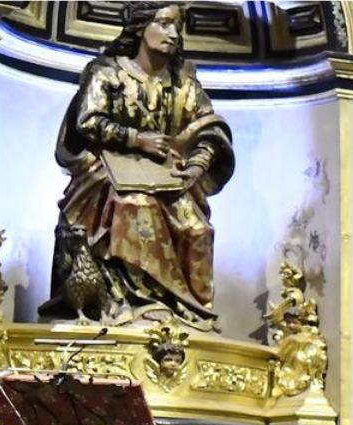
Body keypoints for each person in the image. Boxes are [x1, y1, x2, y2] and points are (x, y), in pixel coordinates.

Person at [41, 4, 234, 327]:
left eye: (177, 27)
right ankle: (137, 303)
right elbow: (87, 120)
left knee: (197, 228)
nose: (173, 34)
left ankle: (186, 313)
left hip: (169, 177)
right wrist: (135, 139)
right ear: (141, 27)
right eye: (164, 23)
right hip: (111, 172)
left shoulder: (184, 82)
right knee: (135, 207)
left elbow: (209, 130)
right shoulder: (107, 72)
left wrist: (198, 166)